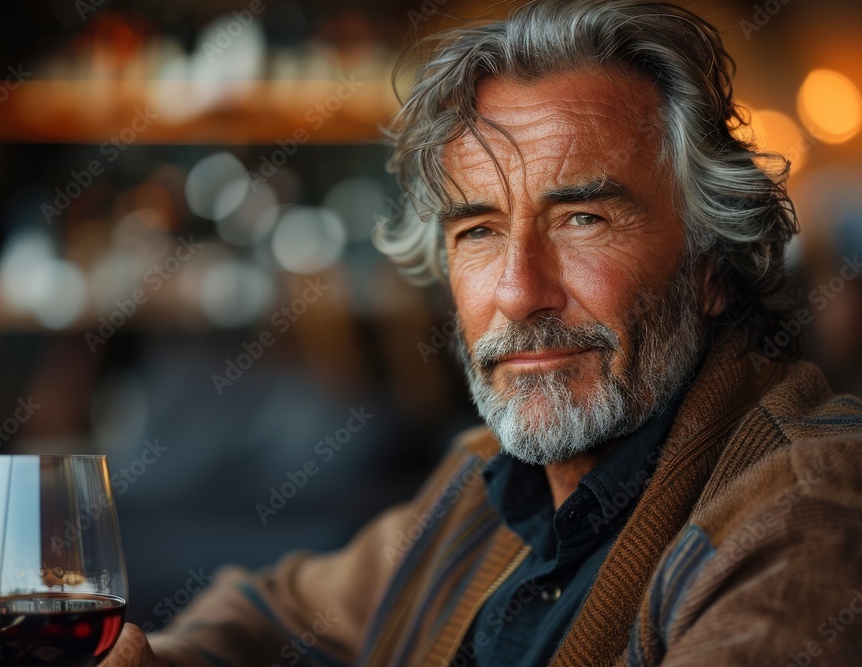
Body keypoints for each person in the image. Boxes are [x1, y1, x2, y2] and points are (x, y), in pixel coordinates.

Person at [102, 1, 862, 665]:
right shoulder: (487, 481)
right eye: (480, 230)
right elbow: (273, 613)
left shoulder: (800, 510)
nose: (518, 292)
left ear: (709, 261)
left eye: (582, 219)